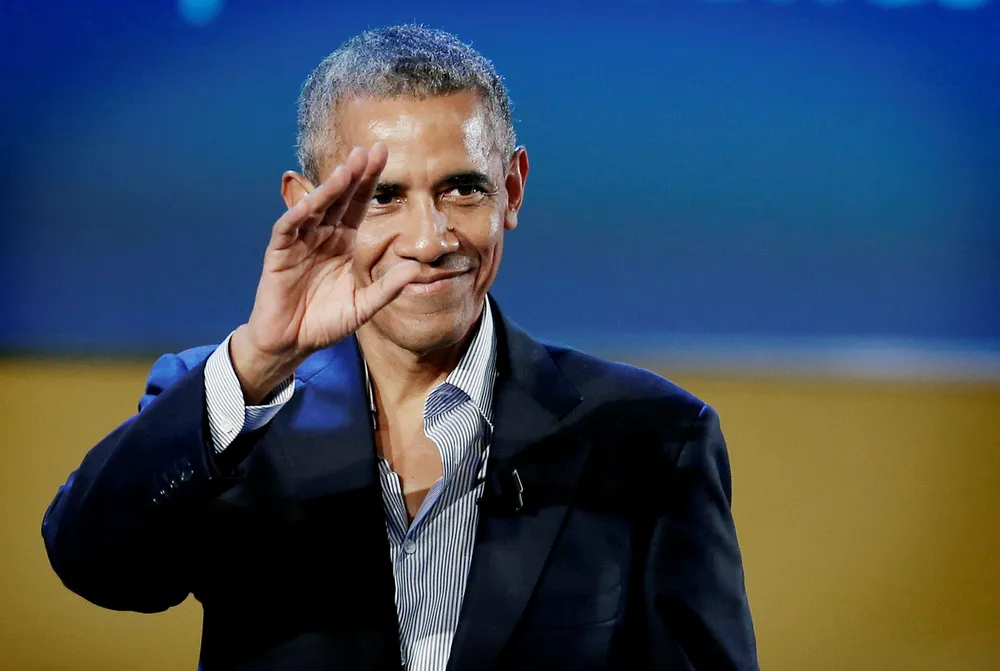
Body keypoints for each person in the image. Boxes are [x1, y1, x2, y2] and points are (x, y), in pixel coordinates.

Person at [41, 24, 757, 671]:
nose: (429, 239)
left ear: (511, 189)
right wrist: (260, 362)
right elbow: (97, 565)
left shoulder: (652, 435)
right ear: (305, 206)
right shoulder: (225, 407)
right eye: (382, 196)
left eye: (462, 189)